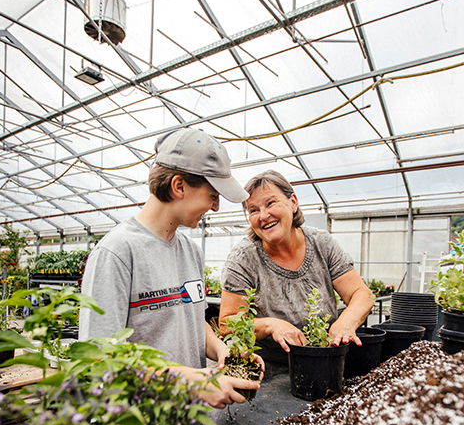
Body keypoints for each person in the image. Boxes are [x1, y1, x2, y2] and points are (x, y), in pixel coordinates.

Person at [79, 127, 262, 408]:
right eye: (213, 195)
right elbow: (100, 360)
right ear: (179, 186)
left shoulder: (189, 251)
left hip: (190, 420)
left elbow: (190, 322)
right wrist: (192, 382)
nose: (215, 207)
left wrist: (221, 350)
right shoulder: (116, 253)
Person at [219, 170, 373, 371]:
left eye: (271, 203)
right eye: (253, 210)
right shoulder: (243, 258)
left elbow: (361, 294)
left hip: (325, 361)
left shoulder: (321, 244)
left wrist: (345, 324)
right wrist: (270, 325)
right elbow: (227, 323)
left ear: (293, 202)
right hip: (270, 372)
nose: (264, 216)